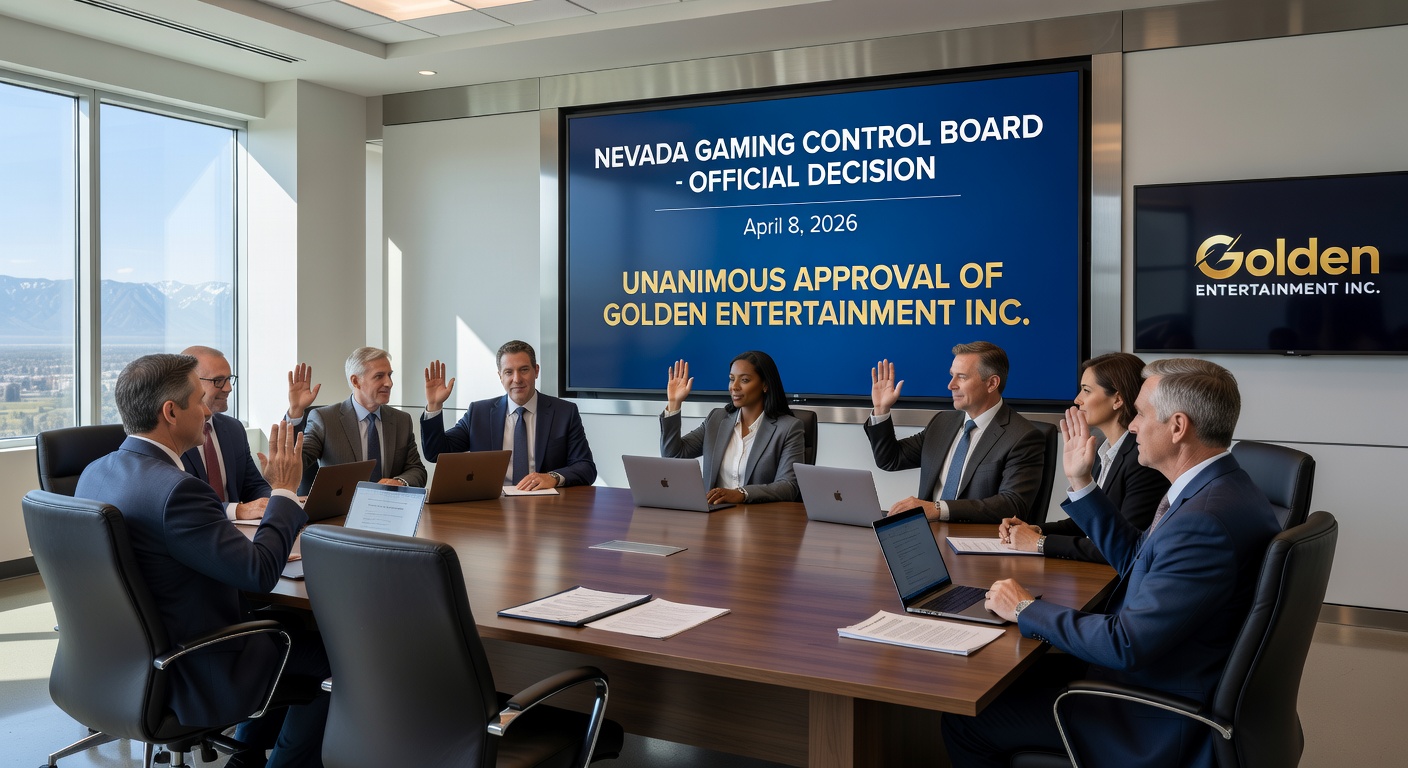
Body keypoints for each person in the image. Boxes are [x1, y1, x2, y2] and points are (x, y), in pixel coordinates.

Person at [942, 358, 1280, 768]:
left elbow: (1125, 644)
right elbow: (1141, 556)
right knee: (999, 679)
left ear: (1177, 427)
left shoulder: (1204, 522)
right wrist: (1083, 483)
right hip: (1170, 671)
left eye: (1140, 414)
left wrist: (1024, 608)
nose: (1133, 425)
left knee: (966, 718)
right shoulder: (1222, 488)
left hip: (1150, 715)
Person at [75, 354, 328, 768]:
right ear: (170, 412)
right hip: (195, 666)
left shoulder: (94, 473)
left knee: (293, 631)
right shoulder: (179, 491)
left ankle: (244, 761)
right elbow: (259, 572)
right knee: (342, 660)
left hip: (125, 663)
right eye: (200, 400)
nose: (209, 409)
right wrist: (283, 491)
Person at [997, 352, 1169, 563]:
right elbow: (1087, 523)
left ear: (1117, 399)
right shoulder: (1103, 451)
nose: (1077, 399)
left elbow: (1121, 545)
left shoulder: (1141, 460)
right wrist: (1036, 529)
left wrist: (1039, 543)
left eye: (1086, 391)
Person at [865, 341, 1045, 523]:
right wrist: (881, 409)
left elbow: (1012, 505)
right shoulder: (942, 422)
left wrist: (937, 509)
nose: (951, 385)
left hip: (976, 542)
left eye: (962, 377)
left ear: (992, 383)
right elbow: (890, 459)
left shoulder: (1023, 437)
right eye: (952, 375)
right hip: (927, 537)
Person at [420, 340, 597, 490]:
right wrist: (435, 405)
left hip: (544, 504)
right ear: (500, 376)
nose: (517, 379)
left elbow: (586, 467)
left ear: (536, 370)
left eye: (524, 370)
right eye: (509, 372)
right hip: (493, 506)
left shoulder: (564, 412)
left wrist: (553, 477)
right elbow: (436, 453)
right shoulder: (479, 413)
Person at [659, 351, 805, 504]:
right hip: (714, 517)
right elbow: (673, 456)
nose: (734, 387)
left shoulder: (788, 428)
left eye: (744, 380)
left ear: (765, 385)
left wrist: (742, 494)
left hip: (760, 519)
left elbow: (789, 486)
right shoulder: (717, 419)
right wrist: (674, 403)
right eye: (731, 379)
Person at [286, 347, 427, 488]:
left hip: (387, 506)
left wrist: (399, 482)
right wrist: (296, 411)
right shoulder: (325, 419)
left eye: (389, 375)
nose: (389, 383)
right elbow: (295, 463)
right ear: (355, 381)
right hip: (341, 508)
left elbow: (416, 469)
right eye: (379, 376)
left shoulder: (401, 420)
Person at [179, 345, 272, 521]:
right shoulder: (175, 435)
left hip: (240, 533)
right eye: (218, 380)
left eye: (229, 379)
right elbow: (183, 503)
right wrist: (236, 510)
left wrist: (275, 501)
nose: (228, 388)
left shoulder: (234, 429)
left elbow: (253, 485)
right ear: (190, 383)